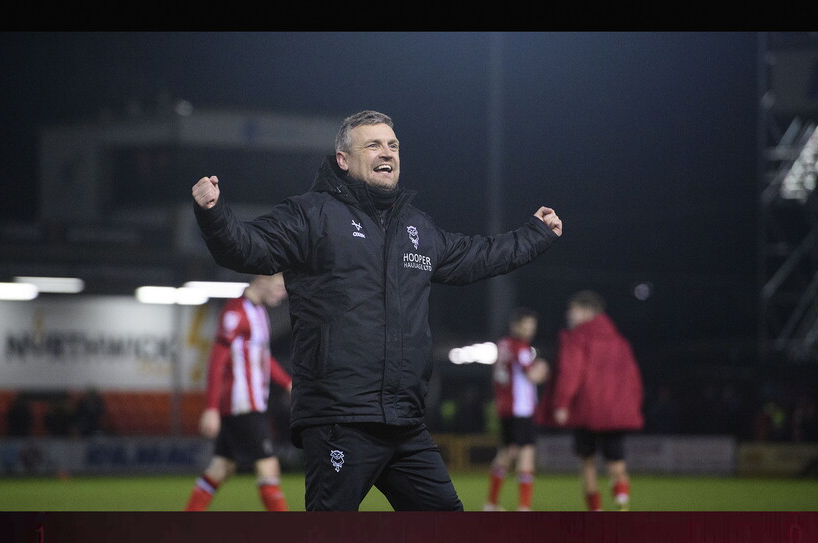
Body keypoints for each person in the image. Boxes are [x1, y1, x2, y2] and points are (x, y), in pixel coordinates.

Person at [191, 110, 563, 511]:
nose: (387, 152)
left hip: (405, 421)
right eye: (373, 144)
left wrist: (534, 235)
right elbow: (247, 246)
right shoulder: (311, 215)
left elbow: (478, 256)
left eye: (393, 145)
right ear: (344, 160)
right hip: (339, 420)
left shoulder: (415, 227)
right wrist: (214, 215)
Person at [184, 273, 293, 512]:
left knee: (221, 467)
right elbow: (216, 361)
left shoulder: (260, 312)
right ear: (261, 280)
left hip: (250, 404)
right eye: (278, 286)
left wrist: (287, 383)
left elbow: (263, 358)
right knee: (269, 467)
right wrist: (211, 408)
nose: (282, 293)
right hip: (243, 404)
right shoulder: (235, 312)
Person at [536, 290, 643, 511]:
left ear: (586, 312)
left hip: (586, 410)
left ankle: (595, 511)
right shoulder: (620, 341)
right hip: (616, 412)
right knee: (616, 462)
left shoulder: (577, 337)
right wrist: (632, 405)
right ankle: (622, 500)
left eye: (573, 310)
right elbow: (633, 379)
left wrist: (562, 403)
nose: (569, 315)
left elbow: (571, 372)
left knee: (587, 462)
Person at [484, 307, 549, 512]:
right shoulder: (520, 348)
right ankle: (524, 507)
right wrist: (543, 369)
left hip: (505, 407)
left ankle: (491, 503)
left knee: (505, 453)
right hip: (520, 409)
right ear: (516, 326)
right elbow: (532, 376)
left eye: (532, 326)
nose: (530, 330)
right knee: (526, 454)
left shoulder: (503, 345)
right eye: (526, 326)